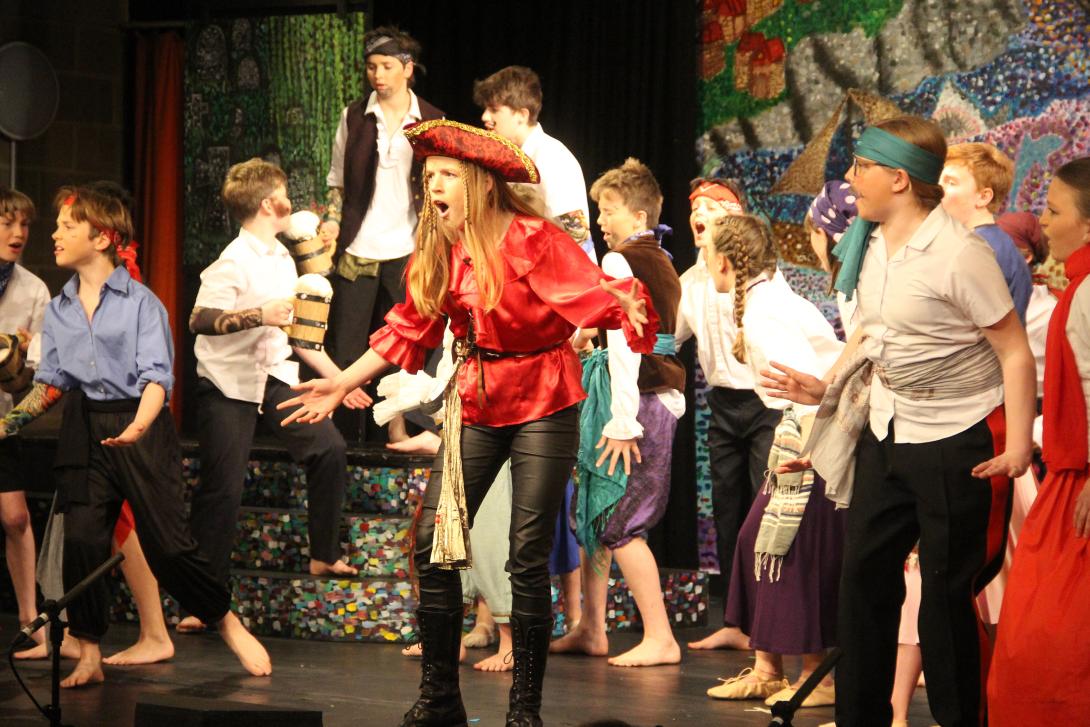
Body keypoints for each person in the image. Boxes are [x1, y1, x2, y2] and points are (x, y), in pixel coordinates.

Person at [279, 119, 655, 727]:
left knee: (525, 555)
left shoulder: (534, 238)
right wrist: (344, 381)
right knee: (433, 545)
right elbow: (411, 324)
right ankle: (440, 700)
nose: (435, 187)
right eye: (428, 177)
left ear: (480, 182)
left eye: (447, 176)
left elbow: (595, 297)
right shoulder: (444, 249)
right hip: (478, 400)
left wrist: (624, 307)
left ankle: (524, 712)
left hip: (542, 396)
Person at [764, 116, 1035, 726]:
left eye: (862, 166)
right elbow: (874, 332)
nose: (851, 177)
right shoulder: (871, 243)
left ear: (899, 178)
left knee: (942, 594)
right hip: (886, 430)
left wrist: (1018, 444)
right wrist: (825, 387)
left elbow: (1014, 351)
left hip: (954, 435)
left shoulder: (959, 255)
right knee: (862, 581)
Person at [0, 184, 271, 687]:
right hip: (87, 428)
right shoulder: (59, 308)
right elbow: (51, 384)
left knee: (168, 544)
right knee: (83, 541)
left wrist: (137, 428)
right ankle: (89, 653)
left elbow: (156, 381)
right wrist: (6, 425)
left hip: (140, 424)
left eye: (66, 227)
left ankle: (226, 621)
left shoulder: (141, 303)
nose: (54, 235)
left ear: (101, 237)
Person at [179, 159, 366, 633]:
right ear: (269, 204)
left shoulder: (286, 259)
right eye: (284, 193)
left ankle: (323, 555)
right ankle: (203, 603)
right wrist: (258, 315)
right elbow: (198, 320)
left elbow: (303, 339)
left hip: (274, 378)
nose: (291, 201)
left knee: (329, 448)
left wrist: (343, 382)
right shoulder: (232, 261)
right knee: (223, 487)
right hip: (228, 385)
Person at [701, 215, 844, 707]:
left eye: (705, 251)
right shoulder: (762, 299)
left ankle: (818, 678)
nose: (702, 260)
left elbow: (804, 385)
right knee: (757, 542)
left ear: (723, 261)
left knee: (788, 551)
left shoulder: (765, 311)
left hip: (813, 441)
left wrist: (807, 454)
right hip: (804, 434)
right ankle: (767, 667)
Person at [550, 158, 685, 667]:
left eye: (608, 210)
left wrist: (622, 420)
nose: (600, 220)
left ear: (636, 214)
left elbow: (631, 344)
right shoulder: (661, 259)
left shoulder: (620, 260)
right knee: (599, 512)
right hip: (642, 394)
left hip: (638, 401)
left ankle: (660, 637)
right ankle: (591, 627)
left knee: (621, 521)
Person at [475, 65, 595, 629]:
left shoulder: (554, 162)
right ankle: (492, 616)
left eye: (493, 113)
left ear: (521, 114)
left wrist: (571, 328)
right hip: (517, 333)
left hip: (555, 333)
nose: (485, 121)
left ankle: (553, 620)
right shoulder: (508, 165)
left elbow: (571, 243)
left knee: (543, 496)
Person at [988, 157, 1090, 724]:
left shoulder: (1086, 292)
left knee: (1052, 648)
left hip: (1080, 485)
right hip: (1070, 477)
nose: (1043, 222)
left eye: (1054, 210)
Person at [320, 26, 444, 443]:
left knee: (405, 345)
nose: (378, 75)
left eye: (387, 66)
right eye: (372, 67)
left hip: (410, 247)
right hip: (358, 246)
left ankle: (398, 432)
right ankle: (344, 437)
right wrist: (333, 222)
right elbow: (338, 181)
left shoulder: (431, 119)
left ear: (407, 68)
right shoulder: (354, 115)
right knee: (349, 343)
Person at [675, 177, 774, 653]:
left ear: (731, 217)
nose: (699, 215)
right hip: (722, 408)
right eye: (695, 208)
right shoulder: (690, 282)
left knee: (765, 510)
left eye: (711, 208)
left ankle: (772, 621)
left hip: (766, 406)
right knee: (728, 513)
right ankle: (738, 621)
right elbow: (664, 341)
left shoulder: (761, 277)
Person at [0, 187, 51, 654]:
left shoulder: (34, 289)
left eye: (25, 225)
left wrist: (13, 367)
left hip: (1, 425)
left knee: (15, 517)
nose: (18, 234)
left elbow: (33, 382)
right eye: (7, 222)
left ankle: (30, 620)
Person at [940, 142, 1032, 321]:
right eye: (938, 180)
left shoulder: (976, 250)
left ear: (983, 197)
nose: (937, 189)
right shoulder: (1001, 245)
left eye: (950, 182)